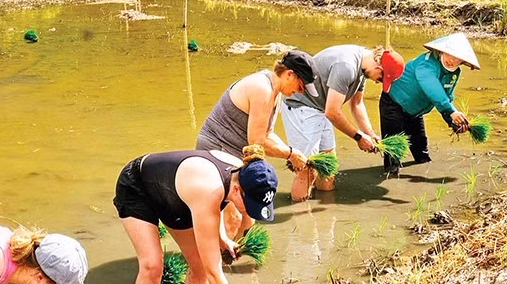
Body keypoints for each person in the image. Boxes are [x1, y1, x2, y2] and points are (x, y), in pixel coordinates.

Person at [113, 144, 277, 284]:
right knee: (152, 265)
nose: (250, 212)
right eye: (251, 205)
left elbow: (215, 208)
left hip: (175, 197)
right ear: (236, 189)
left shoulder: (242, 171)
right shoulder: (209, 189)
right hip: (138, 187)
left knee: (198, 266)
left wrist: (222, 237)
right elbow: (214, 271)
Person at [196, 50, 318, 237]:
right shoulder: (262, 89)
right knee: (233, 219)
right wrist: (291, 154)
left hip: (235, 153)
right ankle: (216, 264)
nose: (299, 92)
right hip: (217, 152)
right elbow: (257, 141)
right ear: (289, 74)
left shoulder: (273, 90)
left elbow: (267, 133)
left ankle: (233, 259)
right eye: (300, 86)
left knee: (248, 219)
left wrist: (293, 152)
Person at [281, 45, 405, 199]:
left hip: (320, 108)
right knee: (307, 170)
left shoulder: (363, 68)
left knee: (328, 167)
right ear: (378, 67)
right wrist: (358, 137)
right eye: (380, 78)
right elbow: (332, 112)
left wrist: (370, 134)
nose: (378, 82)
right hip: (301, 106)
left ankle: (325, 213)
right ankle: (301, 217)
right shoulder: (346, 67)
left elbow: (357, 104)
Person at [380, 32, 479, 174]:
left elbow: (446, 96)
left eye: (457, 59)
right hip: (393, 105)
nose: (452, 60)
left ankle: (422, 173)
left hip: (415, 112)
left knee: (422, 152)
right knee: (393, 153)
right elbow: (433, 89)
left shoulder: (454, 74)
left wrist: (453, 121)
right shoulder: (426, 64)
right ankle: (392, 176)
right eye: (450, 54)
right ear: (442, 51)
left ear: (462, 61)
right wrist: (451, 111)